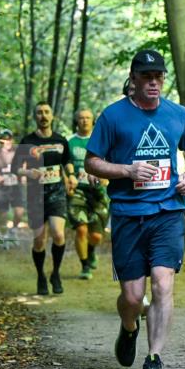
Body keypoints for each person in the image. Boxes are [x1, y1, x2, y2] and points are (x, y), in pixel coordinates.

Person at [85, 49, 185, 369]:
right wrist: (127, 170)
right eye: (147, 77)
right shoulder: (113, 117)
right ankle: (129, 327)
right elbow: (91, 162)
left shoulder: (177, 114)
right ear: (133, 79)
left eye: (159, 77)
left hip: (168, 211)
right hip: (127, 213)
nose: (154, 83)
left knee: (163, 284)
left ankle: (154, 358)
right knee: (133, 298)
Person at [14, 102, 76, 295]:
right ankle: (41, 275)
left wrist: (72, 175)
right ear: (35, 117)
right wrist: (28, 172)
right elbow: (15, 167)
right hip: (35, 194)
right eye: (39, 112)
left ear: (52, 116)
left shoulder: (60, 140)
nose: (43, 116)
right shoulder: (27, 141)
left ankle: (55, 273)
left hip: (57, 191)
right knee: (39, 240)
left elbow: (67, 161)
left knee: (58, 234)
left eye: (47, 112)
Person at [67, 109, 109, 279]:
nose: (84, 121)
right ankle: (85, 266)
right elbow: (64, 162)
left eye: (88, 118)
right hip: (78, 191)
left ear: (93, 121)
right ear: (76, 120)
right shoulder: (69, 141)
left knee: (97, 236)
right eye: (81, 118)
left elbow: (111, 160)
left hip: (98, 192)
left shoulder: (102, 140)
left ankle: (91, 251)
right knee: (81, 230)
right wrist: (68, 177)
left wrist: (107, 177)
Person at [0, 129, 26, 239]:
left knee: (19, 211)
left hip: (16, 185)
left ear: (12, 140)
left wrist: (23, 175)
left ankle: (14, 229)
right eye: (3, 139)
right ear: (0, 140)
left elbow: (25, 164)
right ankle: (4, 234)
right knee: (3, 213)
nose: (6, 141)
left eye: (8, 139)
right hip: (2, 187)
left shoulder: (17, 151)